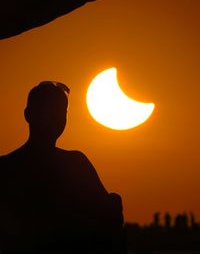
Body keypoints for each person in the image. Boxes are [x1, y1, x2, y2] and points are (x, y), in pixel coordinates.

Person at [0, 81, 124, 253]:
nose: (56, 117)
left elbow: (109, 218)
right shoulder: (74, 164)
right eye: (49, 110)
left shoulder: (7, 167)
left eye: (61, 110)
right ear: (28, 114)